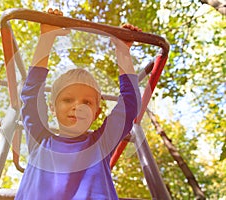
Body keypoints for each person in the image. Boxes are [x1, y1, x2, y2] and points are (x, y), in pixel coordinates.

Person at [16, 8, 141, 200]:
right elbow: (32, 94)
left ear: (97, 112)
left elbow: (130, 105)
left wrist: (122, 52)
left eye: (87, 102)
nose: (77, 106)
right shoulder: (40, 140)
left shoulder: (101, 144)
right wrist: (47, 38)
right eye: (67, 99)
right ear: (52, 108)